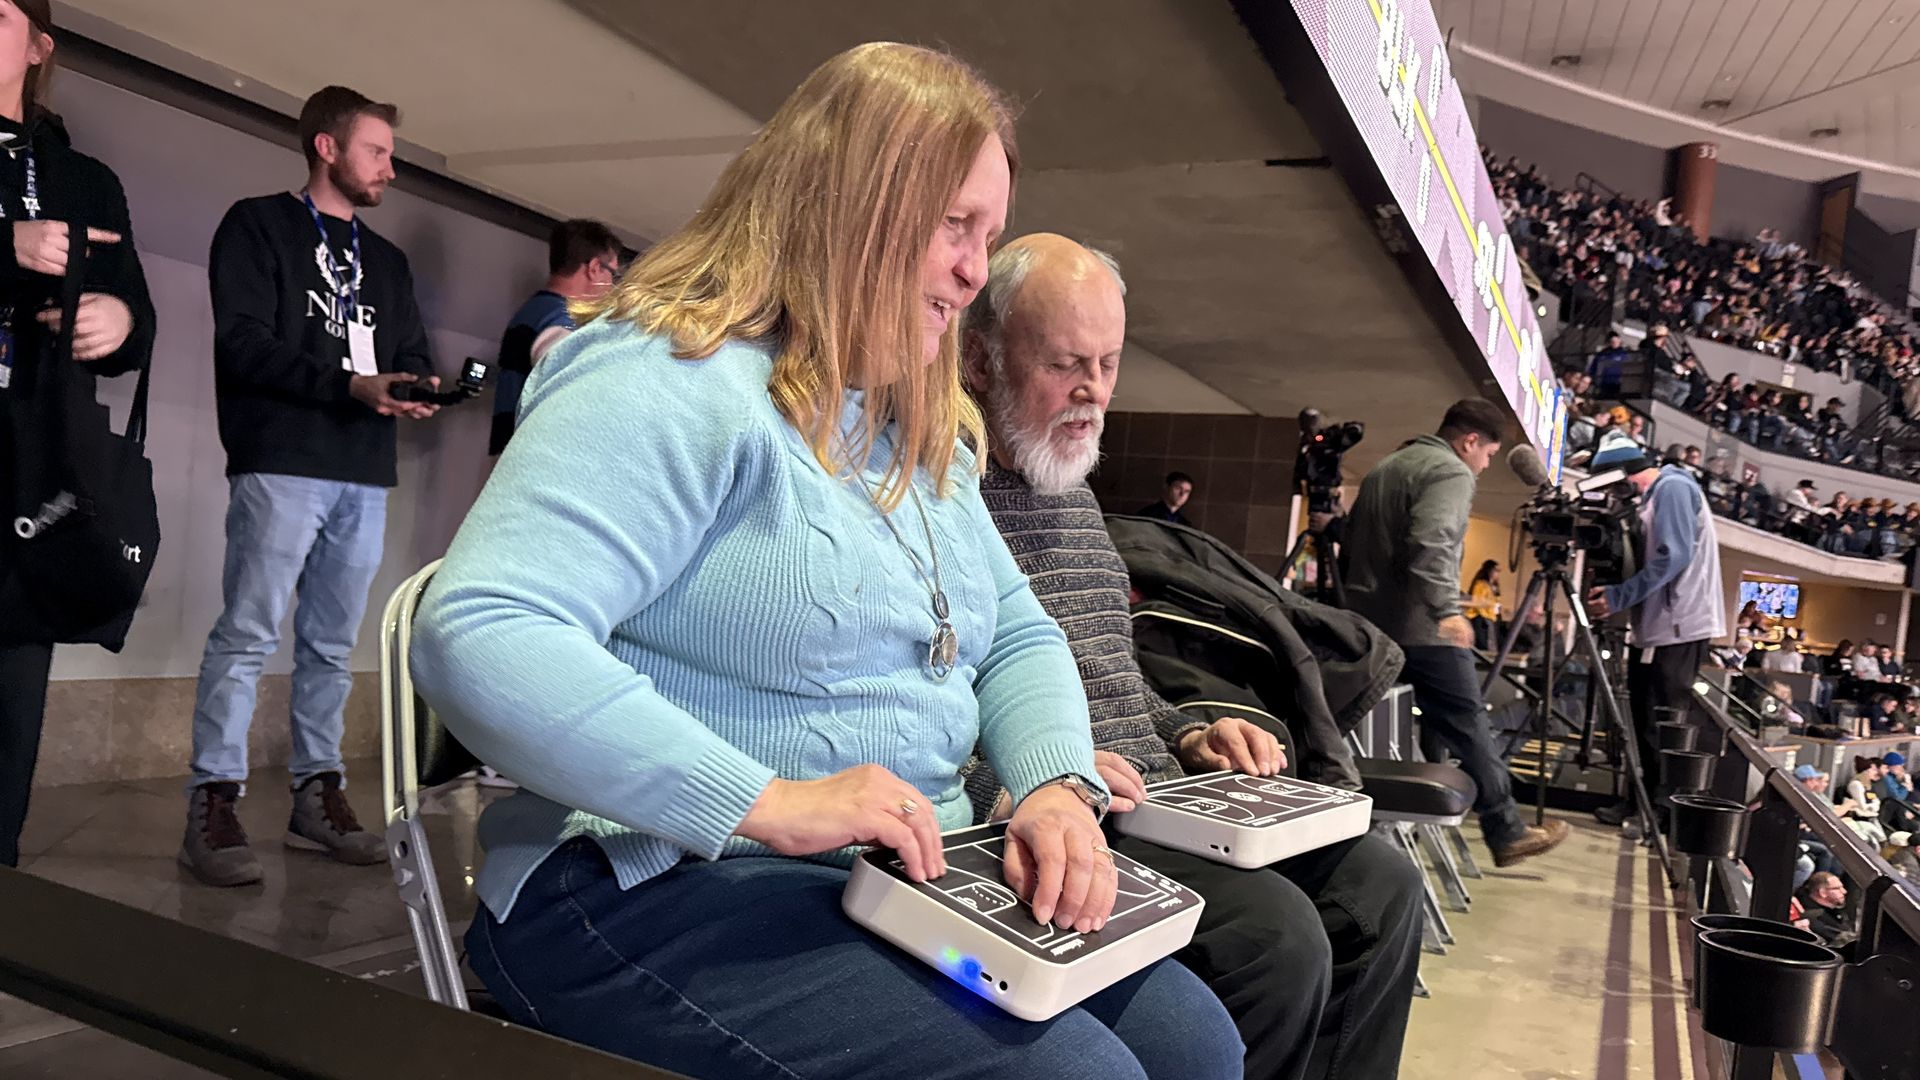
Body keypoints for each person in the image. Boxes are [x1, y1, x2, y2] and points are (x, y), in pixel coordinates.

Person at [407, 44, 1241, 1079]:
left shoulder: (909, 426)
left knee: (1198, 1044)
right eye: (956, 227)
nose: (977, 270)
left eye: (987, 234)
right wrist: (767, 797)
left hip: (882, 874)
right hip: (647, 880)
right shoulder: (671, 375)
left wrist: (1052, 784)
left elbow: (1017, 631)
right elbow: (482, 629)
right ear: (855, 206)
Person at [964, 232, 1423, 1080]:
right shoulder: (940, 496)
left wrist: (1189, 732)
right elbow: (924, 703)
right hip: (1053, 815)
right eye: (1066, 363)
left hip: (1155, 791)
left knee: (1384, 887)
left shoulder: (1070, 492)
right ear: (981, 360)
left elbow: (1116, 677)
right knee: (1272, 941)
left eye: (1107, 363)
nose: (1093, 391)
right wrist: (1031, 779)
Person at [181, 85, 444, 887]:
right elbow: (244, 345)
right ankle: (213, 799)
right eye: (377, 151)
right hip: (281, 460)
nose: (390, 169)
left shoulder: (389, 262)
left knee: (332, 645)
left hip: (362, 470)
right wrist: (349, 386)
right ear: (326, 147)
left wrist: (418, 387)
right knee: (249, 633)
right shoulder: (256, 225)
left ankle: (315, 794)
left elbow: (406, 347)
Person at [0, 0, 154, 868]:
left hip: (33, 467)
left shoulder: (82, 179)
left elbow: (144, 324)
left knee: (13, 702)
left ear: (39, 46)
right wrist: (7, 247)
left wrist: (115, 317)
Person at [1343, 399, 1570, 865]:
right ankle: (1505, 830)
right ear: (1469, 441)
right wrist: (1448, 609)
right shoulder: (1449, 470)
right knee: (1469, 722)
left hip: (1370, 625)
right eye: (1487, 455)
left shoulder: (1388, 465)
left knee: (1446, 723)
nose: (1484, 466)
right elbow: (1433, 541)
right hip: (1421, 628)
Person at [1587, 435, 1727, 826]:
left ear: (1624, 476)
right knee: (1640, 723)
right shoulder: (1655, 497)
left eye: (1613, 486)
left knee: (1662, 728)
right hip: (1656, 629)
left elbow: (1673, 556)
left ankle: (1661, 813)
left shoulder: (1674, 487)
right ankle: (1637, 803)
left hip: (1680, 629)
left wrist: (1619, 597)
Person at [488, 217, 621, 456]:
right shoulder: (564, 322)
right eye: (613, 274)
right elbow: (575, 400)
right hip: (536, 458)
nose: (612, 285)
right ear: (593, 268)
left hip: (513, 453)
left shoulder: (532, 312)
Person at [1465, 559, 1501, 651]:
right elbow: (1477, 601)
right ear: (1490, 571)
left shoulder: (1493, 587)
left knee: (1491, 644)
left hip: (1490, 617)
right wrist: (1486, 604)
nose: (1498, 574)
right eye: (1496, 570)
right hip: (1481, 618)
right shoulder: (1481, 584)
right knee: (1484, 645)